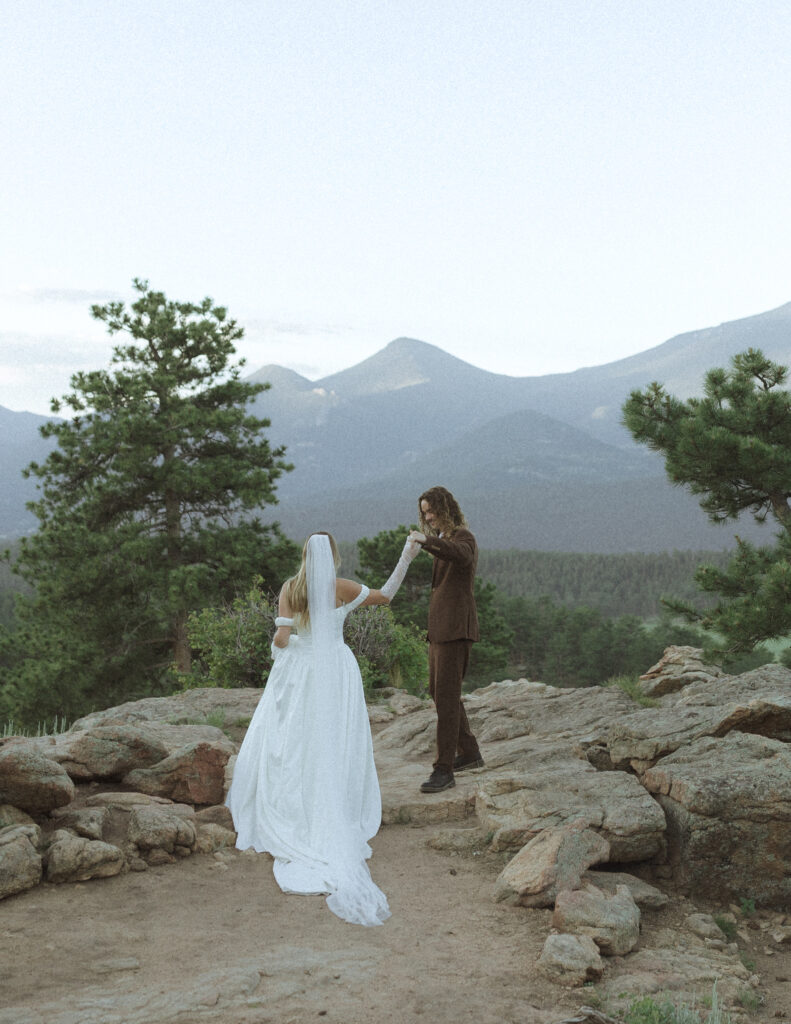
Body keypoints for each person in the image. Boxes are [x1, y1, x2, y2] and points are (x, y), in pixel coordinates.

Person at [225, 531, 418, 927]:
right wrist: (407, 555)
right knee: (335, 743)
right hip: (336, 673)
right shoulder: (340, 588)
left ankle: (295, 808)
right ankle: (335, 803)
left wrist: (283, 652)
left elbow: (281, 639)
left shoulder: (290, 590)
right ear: (332, 557)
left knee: (297, 742)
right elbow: (386, 595)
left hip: (302, 673)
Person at [408, 486, 484, 794]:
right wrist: (429, 543)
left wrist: (426, 541)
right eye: (424, 512)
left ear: (446, 508)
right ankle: (469, 752)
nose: (428, 517)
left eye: (432, 511)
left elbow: (460, 555)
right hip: (441, 631)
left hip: (455, 630)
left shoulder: (463, 538)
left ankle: (444, 770)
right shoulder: (443, 542)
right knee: (439, 693)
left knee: (447, 697)